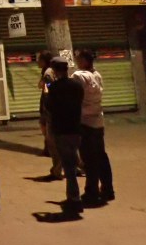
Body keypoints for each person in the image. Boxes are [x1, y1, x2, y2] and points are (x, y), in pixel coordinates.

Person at [73, 49, 115, 203]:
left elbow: (73, 96)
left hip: (85, 122)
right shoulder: (97, 75)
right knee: (101, 156)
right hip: (98, 121)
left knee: (89, 158)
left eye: (78, 59)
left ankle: (92, 192)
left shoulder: (79, 76)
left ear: (84, 60)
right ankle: (108, 189)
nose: (76, 62)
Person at [48, 56, 85, 213]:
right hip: (76, 128)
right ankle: (75, 196)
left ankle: (74, 199)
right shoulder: (77, 85)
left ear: (55, 70)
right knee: (73, 161)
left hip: (61, 130)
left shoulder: (55, 87)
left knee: (69, 166)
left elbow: (49, 106)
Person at [37, 50, 62, 178]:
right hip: (48, 106)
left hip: (49, 107)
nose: (37, 61)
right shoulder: (48, 71)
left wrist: (44, 85)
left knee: (53, 139)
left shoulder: (48, 73)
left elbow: (47, 87)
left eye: (39, 59)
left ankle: (58, 169)